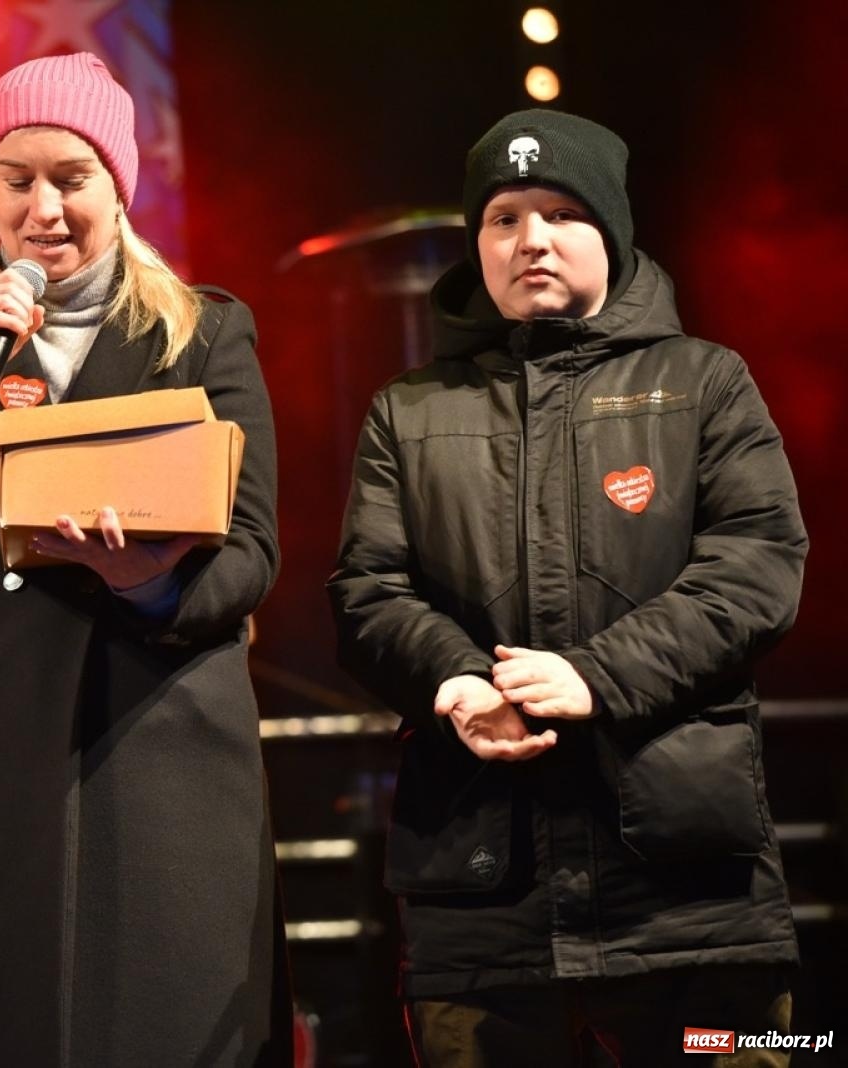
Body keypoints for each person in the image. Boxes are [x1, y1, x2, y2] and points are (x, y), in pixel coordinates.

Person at [0, 51, 288, 1068]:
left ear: (118, 184)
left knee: (155, 1029)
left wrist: (149, 582)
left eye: (70, 178)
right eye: (16, 178)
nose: (43, 208)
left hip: (154, 739)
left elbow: (251, 552)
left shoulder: (200, 331)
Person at [328, 108, 808, 1065]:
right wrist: (457, 681)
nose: (530, 239)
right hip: (481, 904)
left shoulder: (706, 383)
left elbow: (758, 564)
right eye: (503, 218)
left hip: (692, 897)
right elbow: (366, 592)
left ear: (612, 233)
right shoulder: (408, 412)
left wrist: (598, 676)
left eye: (560, 212)